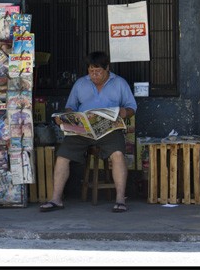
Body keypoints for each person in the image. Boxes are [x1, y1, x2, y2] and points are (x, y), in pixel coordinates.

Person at [39, 51, 137, 213]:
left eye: (98, 71)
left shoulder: (120, 83)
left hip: (109, 130)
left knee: (118, 154)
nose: (94, 75)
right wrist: (67, 117)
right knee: (63, 155)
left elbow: (132, 107)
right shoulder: (80, 84)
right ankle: (56, 199)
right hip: (82, 130)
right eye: (91, 71)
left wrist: (123, 112)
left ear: (107, 69)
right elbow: (71, 107)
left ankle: (120, 200)